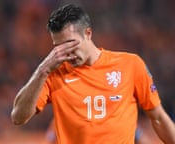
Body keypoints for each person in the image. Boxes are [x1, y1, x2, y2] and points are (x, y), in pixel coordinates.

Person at [11, 4, 175, 144]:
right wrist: (43, 70)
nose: (66, 53)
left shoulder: (130, 65)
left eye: (70, 43)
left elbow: (158, 117)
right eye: (58, 47)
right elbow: (18, 117)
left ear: (88, 34)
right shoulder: (53, 75)